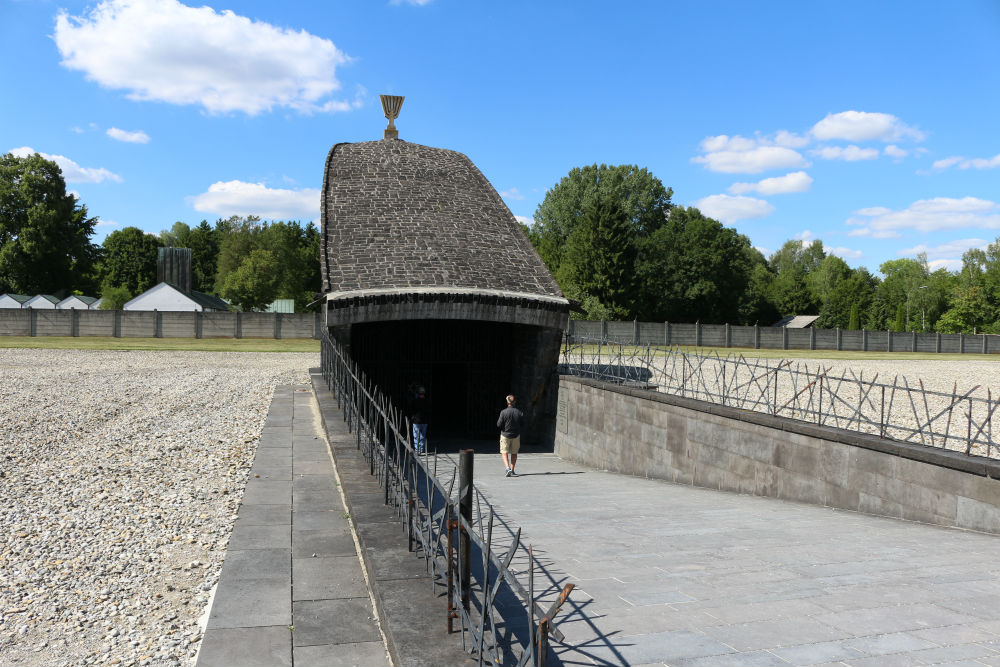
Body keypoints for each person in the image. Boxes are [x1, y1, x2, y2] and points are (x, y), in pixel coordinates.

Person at [496, 394, 524, 477]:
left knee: (504, 452)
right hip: (516, 435)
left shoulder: (503, 412)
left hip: (505, 435)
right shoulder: (519, 412)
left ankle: (507, 468)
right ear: (514, 402)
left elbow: (498, 424)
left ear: (507, 402)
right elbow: (523, 424)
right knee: (514, 453)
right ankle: (512, 469)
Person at [409, 386, 430, 454]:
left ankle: (417, 449)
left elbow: (412, 410)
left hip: (416, 421)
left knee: (416, 436)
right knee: (423, 436)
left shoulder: (415, 401)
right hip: (425, 420)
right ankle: (421, 449)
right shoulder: (427, 401)